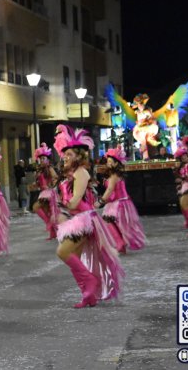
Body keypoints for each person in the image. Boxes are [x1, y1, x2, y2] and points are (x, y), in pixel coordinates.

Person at [53, 125, 124, 308]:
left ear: (79, 156)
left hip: (84, 219)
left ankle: (90, 282)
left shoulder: (80, 172)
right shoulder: (68, 174)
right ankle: (88, 295)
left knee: (62, 252)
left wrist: (62, 206)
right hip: (74, 218)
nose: (66, 157)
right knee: (73, 256)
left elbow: (75, 201)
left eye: (70, 154)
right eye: (65, 154)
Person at [95, 145, 146, 254]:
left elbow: (109, 190)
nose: (108, 164)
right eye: (107, 161)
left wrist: (100, 202)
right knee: (112, 222)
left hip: (119, 204)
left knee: (113, 223)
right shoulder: (115, 174)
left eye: (110, 162)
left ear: (116, 163)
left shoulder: (114, 175)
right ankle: (120, 243)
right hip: (117, 202)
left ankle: (120, 243)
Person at [31, 143, 60, 240]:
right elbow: (39, 182)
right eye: (41, 159)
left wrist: (51, 184)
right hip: (42, 192)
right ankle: (53, 232)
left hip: (49, 192)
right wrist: (35, 185)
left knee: (36, 207)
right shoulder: (39, 170)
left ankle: (49, 223)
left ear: (47, 159)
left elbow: (56, 178)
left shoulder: (50, 168)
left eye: (44, 158)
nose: (42, 160)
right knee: (47, 211)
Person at [173, 142, 188, 228]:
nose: (184, 157)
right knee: (182, 205)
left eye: (185, 156)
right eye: (182, 157)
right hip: (182, 187)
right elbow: (177, 176)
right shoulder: (180, 167)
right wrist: (179, 181)